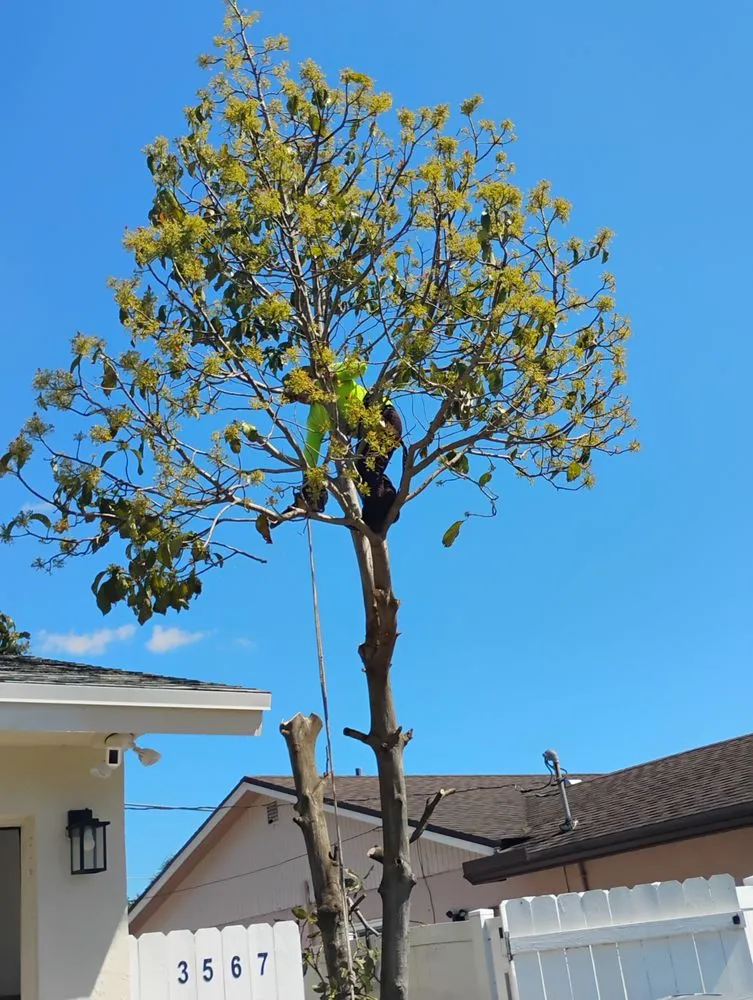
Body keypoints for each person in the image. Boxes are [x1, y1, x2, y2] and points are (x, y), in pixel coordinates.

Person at [283, 359, 403, 534]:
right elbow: (311, 451)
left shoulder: (332, 377)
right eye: (295, 398)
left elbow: (360, 366)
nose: (300, 399)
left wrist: (334, 374)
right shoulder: (315, 416)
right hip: (369, 435)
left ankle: (374, 519)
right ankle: (387, 504)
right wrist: (310, 481)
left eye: (298, 392)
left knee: (365, 469)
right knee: (358, 472)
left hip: (384, 419)